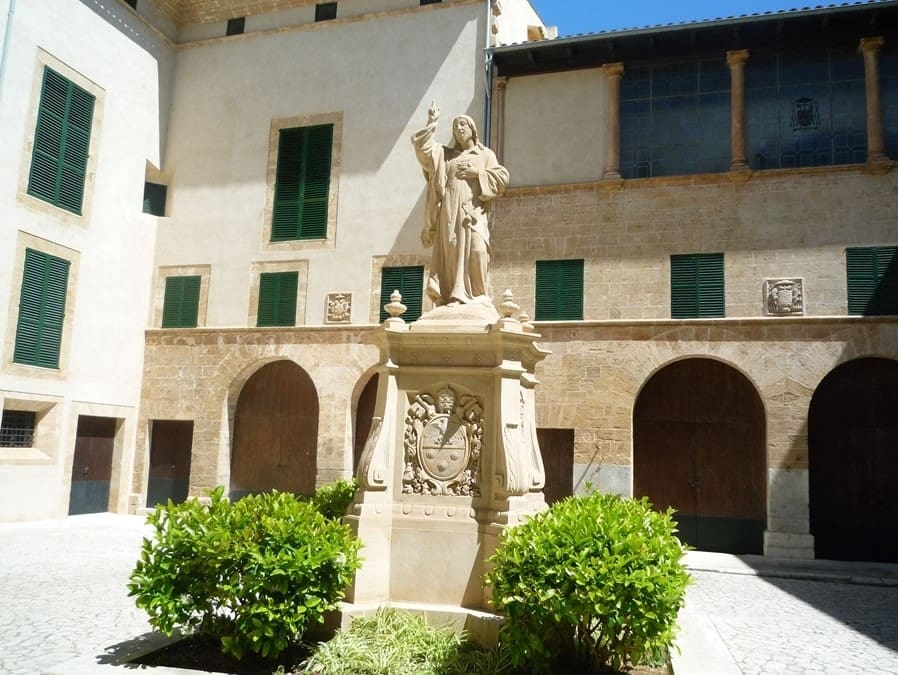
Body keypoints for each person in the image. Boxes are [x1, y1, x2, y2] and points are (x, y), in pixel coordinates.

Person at [411, 102, 509, 307]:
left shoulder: (485, 154)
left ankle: (479, 295)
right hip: (450, 210)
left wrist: (478, 174)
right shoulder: (447, 155)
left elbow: (501, 178)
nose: (459, 128)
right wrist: (432, 121)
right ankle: (453, 294)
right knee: (453, 250)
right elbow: (424, 151)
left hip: (474, 210)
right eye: (456, 126)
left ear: (472, 129)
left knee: (477, 249)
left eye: (463, 124)